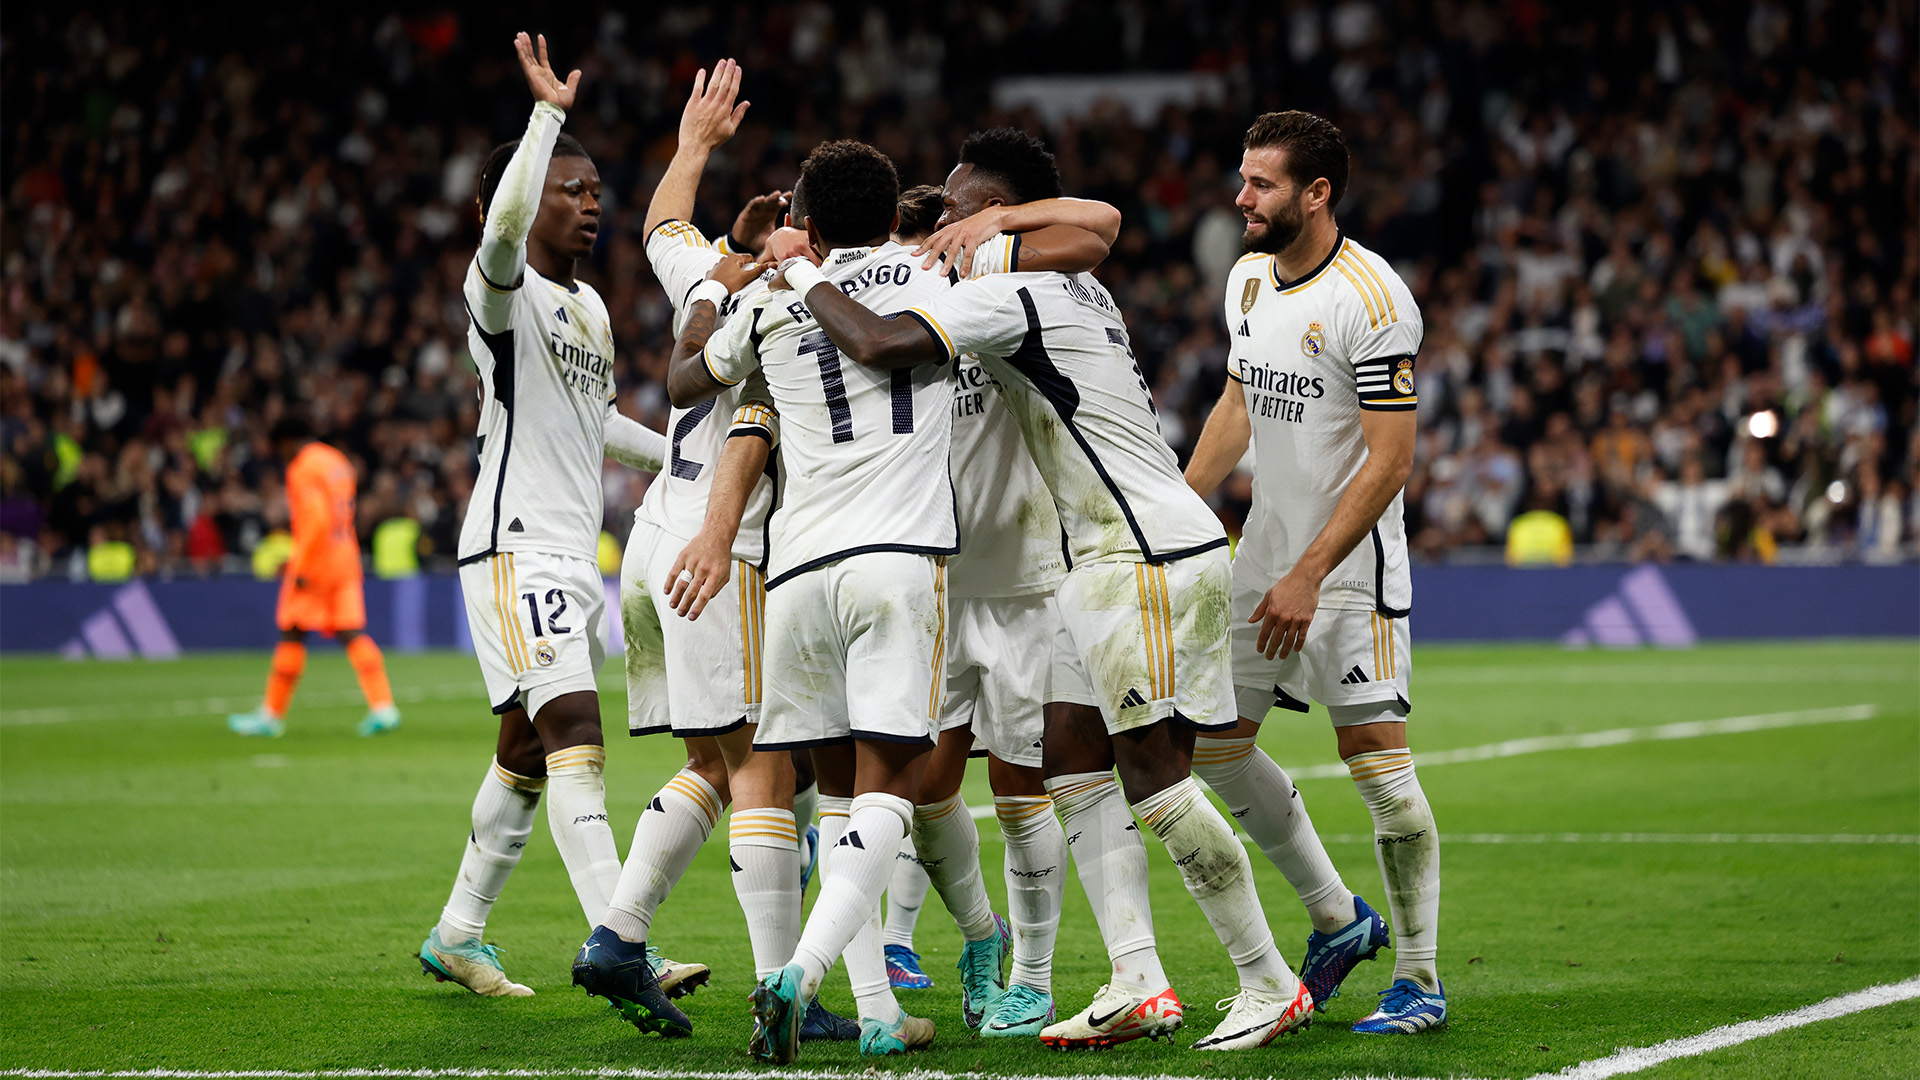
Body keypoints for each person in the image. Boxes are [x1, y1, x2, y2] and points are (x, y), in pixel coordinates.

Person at [786, 127, 1312, 1052]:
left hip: (1135, 554)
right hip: (1105, 557)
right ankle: (1136, 979)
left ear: (997, 215)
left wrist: (801, 274)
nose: (942, 223)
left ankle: (1269, 981)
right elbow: (1091, 225)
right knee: (1072, 760)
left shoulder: (1007, 291)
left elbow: (872, 343)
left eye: (956, 207)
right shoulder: (1069, 281)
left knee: (1154, 777)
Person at [576, 58, 858, 1044]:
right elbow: (748, 419)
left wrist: (694, 148)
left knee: (713, 754)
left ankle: (617, 935)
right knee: (764, 764)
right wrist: (721, 533)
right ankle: (787, 986)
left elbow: (658, 227)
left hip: (659, 533)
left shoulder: (712, 274)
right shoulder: (796, 304)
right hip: (716, 540)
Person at [663, 139, 959, 1061]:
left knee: (834, 796)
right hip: (896, 558)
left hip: (795, 574)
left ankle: (877, 1016)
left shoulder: (767, 296)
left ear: (810, 221)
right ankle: (800, 974)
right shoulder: (928, 273)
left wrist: (731, 275)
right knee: (888, 786)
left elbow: (682, 381)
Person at [417, 33, 674, 1018]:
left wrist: (686, 456)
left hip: (570, 554)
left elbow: (599, 424)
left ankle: (456, 933)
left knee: (527, 756)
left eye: (598, 188)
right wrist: (545, 120)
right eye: (572, 188)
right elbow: (498, 233)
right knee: (576, 732)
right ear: (523, 204)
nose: (592, 200)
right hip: (513, 546)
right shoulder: (502, 292)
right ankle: (622, 939)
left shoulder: (593, 309)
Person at [1186, 110, 1445, 1035]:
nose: (1241, 198)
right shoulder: (1249, 279)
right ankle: (1338, 919)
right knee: (1210, 745)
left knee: (1374, 764)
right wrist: (1180, 510)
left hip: (1347, 573)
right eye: (1244, 179)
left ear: (1316, 193)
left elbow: (1390, 460)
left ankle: (1419, 977)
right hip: (1261, 561)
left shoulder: (1373, 301)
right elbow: (1238, 401)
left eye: (1260, 184)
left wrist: (1310, 572)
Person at [227, 416, 399, 739]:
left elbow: (317, 518)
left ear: (288, 441)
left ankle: (270, 715)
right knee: (352, 631)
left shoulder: (303, 467)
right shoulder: (337, 461)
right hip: (345, 556)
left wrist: (301, 567)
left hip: (316, 560)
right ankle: (383, 706)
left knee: (291, 631)